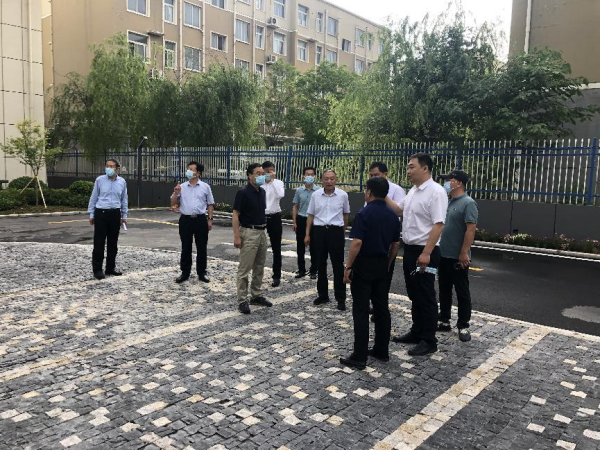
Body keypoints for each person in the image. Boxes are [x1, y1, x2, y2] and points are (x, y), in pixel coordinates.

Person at [340, 177, 401, 370]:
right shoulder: (392, 215)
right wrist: (388, 263)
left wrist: (348, 266)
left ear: (368, 192)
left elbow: (357, 242)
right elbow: (395, 244)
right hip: (382, 264)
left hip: (364, 265)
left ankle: (359, 356)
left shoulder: (364, 213)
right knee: (382, 308)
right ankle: (381, 350)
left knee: (361, 310)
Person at [392, 153, 448, 356]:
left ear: (425, 168)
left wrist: (426, 253)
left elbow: (438, 224)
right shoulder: (413, 191)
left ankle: (429, 340)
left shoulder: (436, 192)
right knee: (414, 293)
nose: (408, 171)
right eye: (408, 167)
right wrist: (381, 193)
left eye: (411, 167)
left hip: (426, 253)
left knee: (425, 295)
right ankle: (416, 331)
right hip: (410, 250)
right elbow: (399, 210)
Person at [437, 170, 478, 342]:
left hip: (458, 256)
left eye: (449, 180)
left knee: (461, 291)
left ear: (459, 183)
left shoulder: (468, 203)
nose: (446, 183)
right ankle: (444, 319)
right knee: (444, 288)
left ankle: (463, 325)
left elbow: (470, 230)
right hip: (443, 254)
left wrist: (463, 252)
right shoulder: (448, 202)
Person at [305, 170, 350, 311]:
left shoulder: (343, 195)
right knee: (320, 264)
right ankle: (323, 295)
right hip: (319, 231)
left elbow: (346, 215)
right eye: (326, 179)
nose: (329, 181)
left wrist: (342, 232)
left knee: (338, 266)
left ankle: (341, 298)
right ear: (321, 180)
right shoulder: (316, 195)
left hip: (336, 231)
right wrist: (307, 234)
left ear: (336, 180)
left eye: (332, 179)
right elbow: (311, 215)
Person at [367, 162, 406, 321]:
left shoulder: (396, 190)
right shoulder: (369, 188)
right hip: (371, 235)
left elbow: (399, 212)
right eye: (371, 175)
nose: (373, 178)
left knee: (385, 273)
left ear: (385, 174)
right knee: (370, 272)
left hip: (387, 236)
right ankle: (374, 303)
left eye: (376, 175)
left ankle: (380, 309)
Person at [233, 163, 273, 314]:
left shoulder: (262, 192)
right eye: (257, 173)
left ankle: (256, 295)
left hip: (262, 232)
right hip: (249, 232)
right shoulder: (243, 192)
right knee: (245, 268)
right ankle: (242, 300)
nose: (261, 176)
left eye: (262, 173)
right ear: (249, 175)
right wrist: (237, 236)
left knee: (259, 266)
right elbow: (235, 215)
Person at [171, 161, 215, 284]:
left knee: (202, 247)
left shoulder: (205, 187)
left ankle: (202, 272)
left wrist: (210, 219)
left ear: (198, 173)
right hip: (186, 219)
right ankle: (185, 272)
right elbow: (173, 203)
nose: (189, 171)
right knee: (186, 246)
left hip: (200, 219)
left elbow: (210, 204)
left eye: (192, 169)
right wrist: (176, 193)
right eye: (188, 169)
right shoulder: (182, 187)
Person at [88, 158, 128, 280]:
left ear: (117, 168)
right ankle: (97, 269)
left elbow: (124, 199)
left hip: (115, 213)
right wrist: (91, 214)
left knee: (113, 242)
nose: (109, 168)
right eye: (107, 166)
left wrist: (124, 215)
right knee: (99, 242)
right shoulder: (100, 180)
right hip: (101, 213)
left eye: (111, 166)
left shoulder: (122, 182)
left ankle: (110, 267)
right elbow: (94, 197)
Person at [261, 161, 285, 287]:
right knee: (258, 246)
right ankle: (257, 274)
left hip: (274, 216)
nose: (269, 173)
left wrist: (272, 181)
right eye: (267, 171)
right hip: (261, 216)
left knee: (276, 247)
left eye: (271, 170)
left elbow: (280, 194)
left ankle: (276, 276)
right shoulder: (259, 183)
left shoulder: (278, 183)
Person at [292, 167, 318, 279]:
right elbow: (295, 206)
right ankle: (301, 269)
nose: (309, 176)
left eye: (312, 174)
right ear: (303, 176)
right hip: (301, 219)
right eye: (307, 174)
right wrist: (294, 221)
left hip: (314, 221)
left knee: (314, 247)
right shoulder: (299, 190)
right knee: (300, 246)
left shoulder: (319, 191)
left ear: (315, 177)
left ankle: (314, 270)